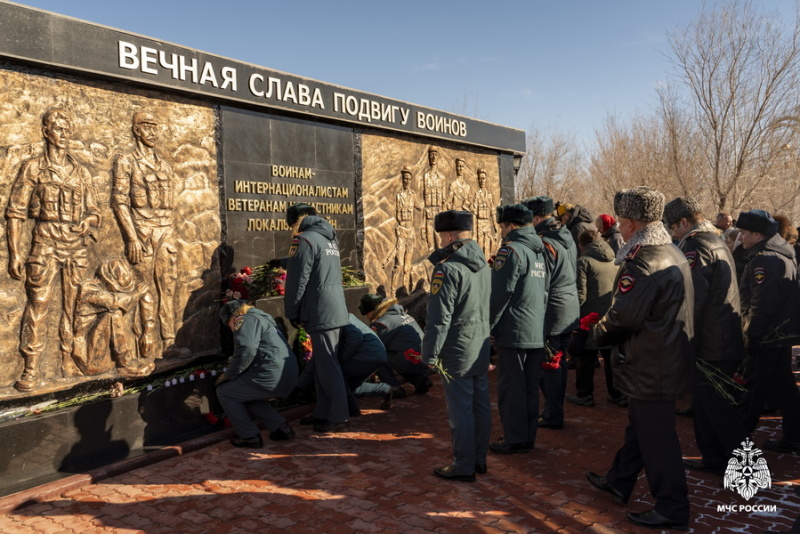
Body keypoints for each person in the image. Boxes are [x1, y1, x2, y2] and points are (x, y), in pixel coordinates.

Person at [586, 186, 693, 531]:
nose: (619, 227)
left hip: (651, 362)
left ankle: (672, 506)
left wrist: (593, 335)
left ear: (632, 223)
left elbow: (623, 318)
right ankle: (619, 479)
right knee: (640, 428)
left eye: (621, 221)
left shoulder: (644, 260)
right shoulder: (671, 250)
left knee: (657, 440)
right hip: (664, 356)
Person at [6, 108, 101, 391]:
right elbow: (16, 212)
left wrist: (88, 221)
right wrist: (15, 253)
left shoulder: (80, 172)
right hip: (45, 243)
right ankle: (31, 367)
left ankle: (68, 360)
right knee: (38, 305)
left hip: (75, 247)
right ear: (46, 132)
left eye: (67, 129)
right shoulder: (33, 168)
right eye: (58, 129)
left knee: (75, 306)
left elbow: (95, 211)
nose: (64, 134)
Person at [664, 197, 747, 476]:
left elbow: (694, 299)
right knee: (705, 407)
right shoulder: (714, 241)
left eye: (673, 227)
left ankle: (746, 470)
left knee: (719, 409)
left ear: (683, 222)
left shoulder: (696, 245)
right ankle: (714, 459)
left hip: (711, 343)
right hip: (718, 338)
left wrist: (682, 339)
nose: (673, 234)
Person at [423, 210, 491, 482]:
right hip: (479, 345)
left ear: (449, 237)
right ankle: (479, 459)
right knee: (480, 406)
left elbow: (439, 319)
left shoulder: (447, 269)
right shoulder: (483, 265)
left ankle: (463, 465)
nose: (440, 242)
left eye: (441, 237)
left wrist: (430, 355)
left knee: (460, 411)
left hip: (457, 349)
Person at [112, 111, 187, 357]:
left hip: (166, 232)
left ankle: (169, 341)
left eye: (155, 127)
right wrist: (131, 237)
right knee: (143, 290)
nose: (153, 132)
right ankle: (146, 341)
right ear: (136, 130)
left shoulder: (165, 164)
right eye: (147, 127)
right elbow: (120, 202)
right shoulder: (126, 161)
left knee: (167, 288)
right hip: (141, 232)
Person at [736, 209, 800, 453]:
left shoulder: (765, 259)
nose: (741, 237)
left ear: (757, 234)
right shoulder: (780, 253)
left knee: (753, 389)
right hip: (779, 333)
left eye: (744, 233)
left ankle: (736, 440)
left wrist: (752, 335)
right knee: (784, 386)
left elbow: (763, 304)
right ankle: (794, 434)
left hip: (767, 335)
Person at [283, 203, 351, 433]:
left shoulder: (303, 240)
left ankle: (338, 416)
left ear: (296, 221)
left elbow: (297, 280)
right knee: (324, 366)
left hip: (320, 310)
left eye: (291, 225)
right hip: (333, 308)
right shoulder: (327, 238)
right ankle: (323, 411)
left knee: (328, 367)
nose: (291, 230)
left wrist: (292, 311)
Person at [489, 204, 548, 454]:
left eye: (502, 227)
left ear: (511, 226)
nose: (501, 232)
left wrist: (488, 327)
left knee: (512, 390)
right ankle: (526, 436)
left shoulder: (511, 251)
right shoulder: (539, 251)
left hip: (514, 331)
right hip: (535, 329)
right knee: (529, 389)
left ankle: (514, 438)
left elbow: (499, 294)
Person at [524, 196, 579, 430]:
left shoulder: (545, 243)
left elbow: (542, 284)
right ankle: (554, 410)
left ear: (536, 218)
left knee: (548, 366)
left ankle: (553, 413)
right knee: (559, 362)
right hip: (568, 307)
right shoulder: (565, 236)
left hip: (552, 311)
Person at [215, 300, 298, 448]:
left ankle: (249, 437)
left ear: (233, 317)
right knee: (246, 394)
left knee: (225, 392)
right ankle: (281, 428)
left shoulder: (244, 319)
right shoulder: (263, 318)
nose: (231, 329)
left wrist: (229, 375)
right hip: (287, 374)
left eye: (229, 324)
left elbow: (246, 349)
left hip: (271, 374)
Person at [566, 230, 625, 408]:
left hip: (589, 318)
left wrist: (573, 314)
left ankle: (585, 394)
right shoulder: (614, 260)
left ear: (581, 245)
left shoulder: (583, 262)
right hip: (610, 316)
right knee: (610, 357)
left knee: (585, 357)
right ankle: (617, 394)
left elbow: (580, 294)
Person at [359, 293, 432, 395]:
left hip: (410, 360)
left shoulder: (382, 323)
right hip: (424, 359)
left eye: (367, 314)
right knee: (400, 352)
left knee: (376, 357)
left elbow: (373, 347)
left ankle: (395, 389)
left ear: (373, 311)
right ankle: (421, 381)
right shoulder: (403, 314)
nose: (367, 317)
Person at [390, 166, 421, 291]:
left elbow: (420, 207)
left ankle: (405, 291)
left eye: (409, 178)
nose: (407, 181)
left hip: (410, 233)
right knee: (399, 264)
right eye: (405, 178)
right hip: (402, 232)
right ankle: (393, 291)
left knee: (407, 266)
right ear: (402, 179)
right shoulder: (399, 195)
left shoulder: (413, 195)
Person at [422, 147, 446, 250]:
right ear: (428, 157)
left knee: (440, 245)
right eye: (431, 154)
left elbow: (444, 202)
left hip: (439, 216)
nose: (433, 157)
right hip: (428, 216)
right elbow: (422, 201)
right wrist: (422, 225)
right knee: (430, 247)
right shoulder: (425, 177)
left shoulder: (442, 177)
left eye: (435, 154)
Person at [472, 169, 497, 258]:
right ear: (478, 180)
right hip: (479, 223)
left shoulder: (489, 195)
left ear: (486, 179)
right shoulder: (476, 195)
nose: (482, 181)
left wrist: (496, 229)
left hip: (487, 223)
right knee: (479, 246)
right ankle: (479, 263)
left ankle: (486, 263)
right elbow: (474, 214)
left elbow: (493, 213)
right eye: (480, 179)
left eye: (483, 178)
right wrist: (474, 232)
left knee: (487, 247)